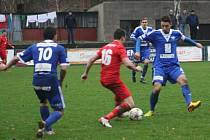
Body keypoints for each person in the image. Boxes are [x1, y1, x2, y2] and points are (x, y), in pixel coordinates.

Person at [1, 27, 68, 138]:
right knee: (59, 110)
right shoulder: (59, 48)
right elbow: (64, 68)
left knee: (43, 102)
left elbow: (16, 58)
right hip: (50, 79)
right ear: (55, 35)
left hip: (36, 79)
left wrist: (6, 67)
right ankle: (45, 125)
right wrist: (60, 81)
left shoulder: (34, 47)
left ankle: (49, 130)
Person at [135, 16, 203, 117]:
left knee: (184, 80)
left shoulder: (176, 33)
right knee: (157, 88)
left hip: (173, 66)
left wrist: (195, 43)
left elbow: (185, 39)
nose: (164, 28)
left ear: (170, 25)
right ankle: (151, 110)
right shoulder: (155, 33)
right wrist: (137, 51)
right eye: (162, 26)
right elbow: (139, 39)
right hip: (160, 67)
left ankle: (190, 104)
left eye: (166, 26)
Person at [81, 28, 142, 128]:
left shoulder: (105, 47)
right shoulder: (120, 47)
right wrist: (137, 69)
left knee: (118, 94)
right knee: (130, 104)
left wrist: (85, 73)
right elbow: (127, 63)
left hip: (103, 80)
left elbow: (91, 59)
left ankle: (119, 113)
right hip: (113, 80)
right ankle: (106, 118)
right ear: (123, 37)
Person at [130, 17, 153, 83]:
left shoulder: (150, 29)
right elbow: (132, 36)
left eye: (145, 22)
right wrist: (138, 40)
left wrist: (151, 42)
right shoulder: (138, 29)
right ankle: (133, 76)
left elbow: (153, 37)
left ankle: (142, 78)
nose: (144, 23)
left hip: (146, 48)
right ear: (141, 23)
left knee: (146, 62)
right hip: (138, 49)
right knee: (135, 65)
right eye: (143, 22)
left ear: (147, 23)